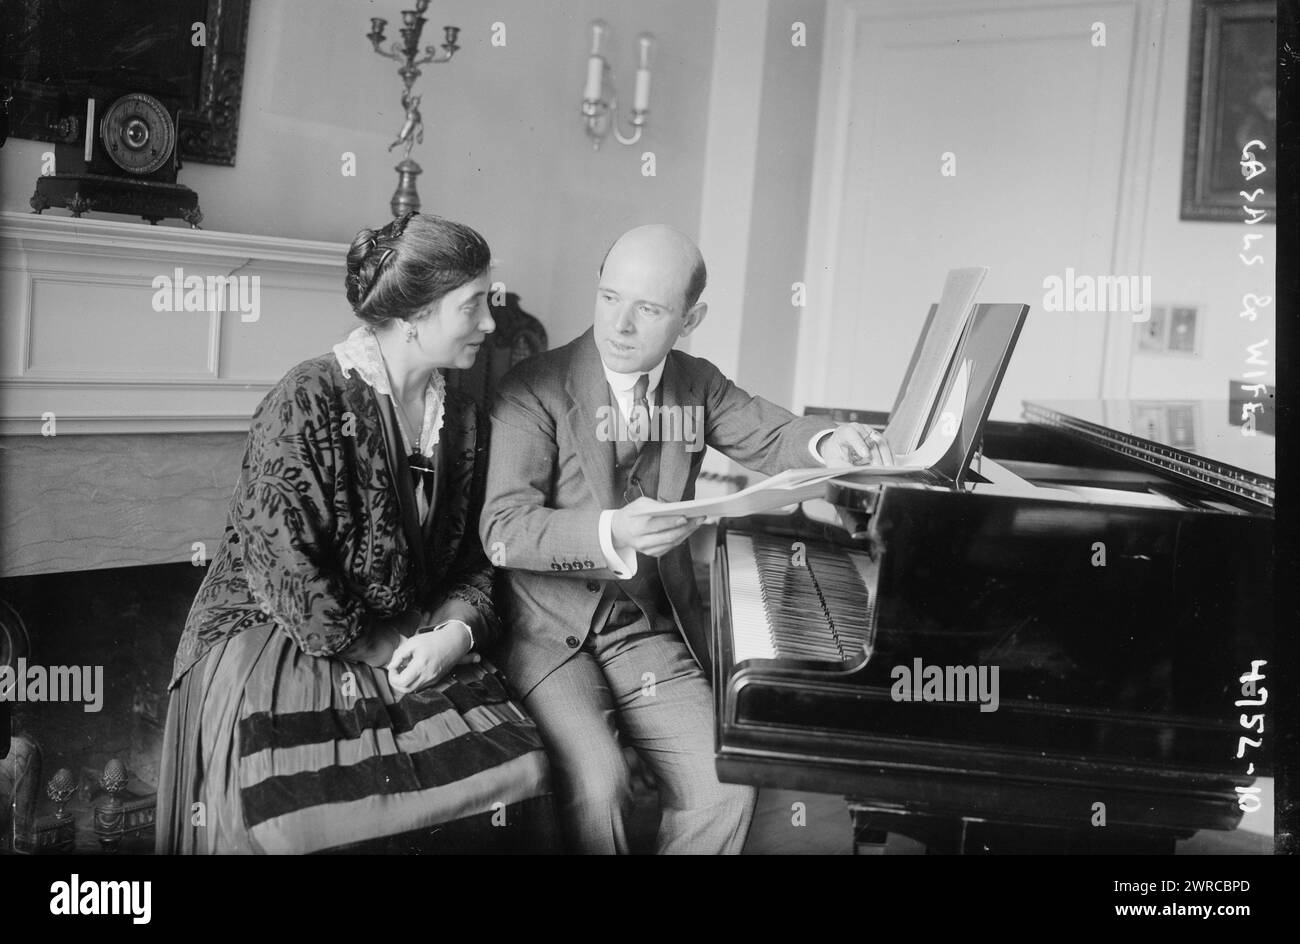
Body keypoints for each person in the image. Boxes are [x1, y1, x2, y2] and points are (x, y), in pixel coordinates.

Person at [480, 223, 890, 854]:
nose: (619, 325)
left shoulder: (697, 385)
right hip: (543, 632)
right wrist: (613, 529)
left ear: (690, 317)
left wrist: (826, 442)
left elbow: (772, 433)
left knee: (725, 785)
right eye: (610, 298)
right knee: (599, 784)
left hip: (642, 629)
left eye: (648, 309)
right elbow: (503, 530)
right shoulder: (531, 388)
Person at [157, 212, 556, 854]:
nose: (489, 324)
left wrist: (454, 632)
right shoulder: (307, 398)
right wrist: (387, 644)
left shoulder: (464, 423)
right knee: (300, 818)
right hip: (279, 633)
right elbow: (286, 572)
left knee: (521, 772)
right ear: (415, 315)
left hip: (415, 632)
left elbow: (478, 558)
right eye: (474, 306)